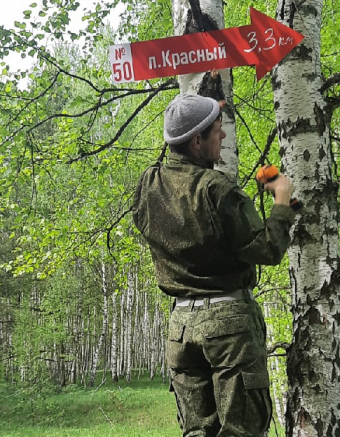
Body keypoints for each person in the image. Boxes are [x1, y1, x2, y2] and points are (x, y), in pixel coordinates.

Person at [133, 93, 296, 436]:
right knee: (242, 431)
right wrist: (282, 200)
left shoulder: (148, 185)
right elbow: (268, 250)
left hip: (180, 330)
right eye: (217, 131)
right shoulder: (217, 190)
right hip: (228, 328)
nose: (222, 136)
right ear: (196, 140)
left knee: (196, 433)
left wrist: (205, 112)